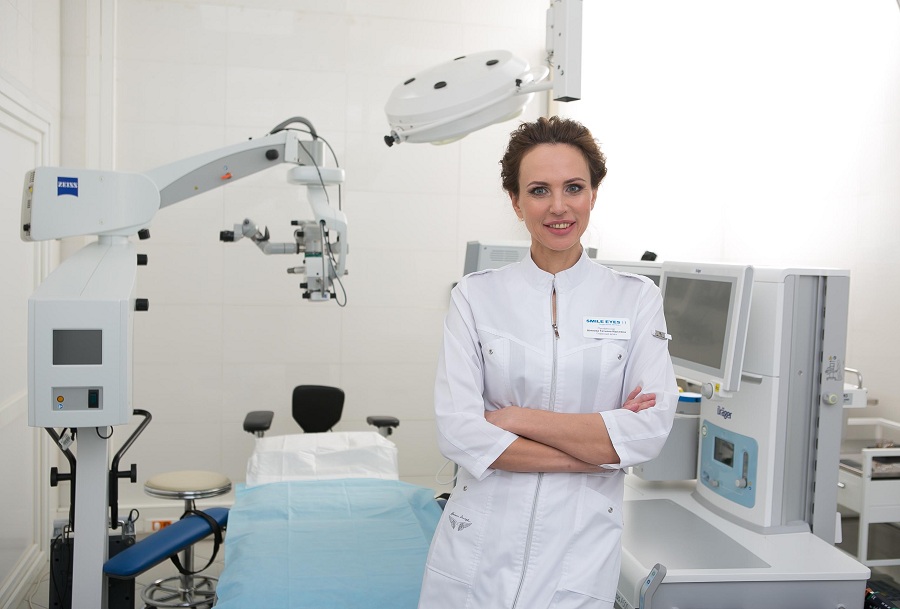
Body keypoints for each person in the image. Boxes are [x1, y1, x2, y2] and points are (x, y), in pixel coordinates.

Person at [418, 116, 678, 609]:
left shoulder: (636, 299)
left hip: (578, 548)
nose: (559, 206)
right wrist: (599, 452)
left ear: (593, 194)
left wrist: (515, 419)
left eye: (573, 187)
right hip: (479, 547)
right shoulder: (475, 297)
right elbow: (458, 432)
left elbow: (646, 434)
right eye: (539, 190)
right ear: (516, 201)